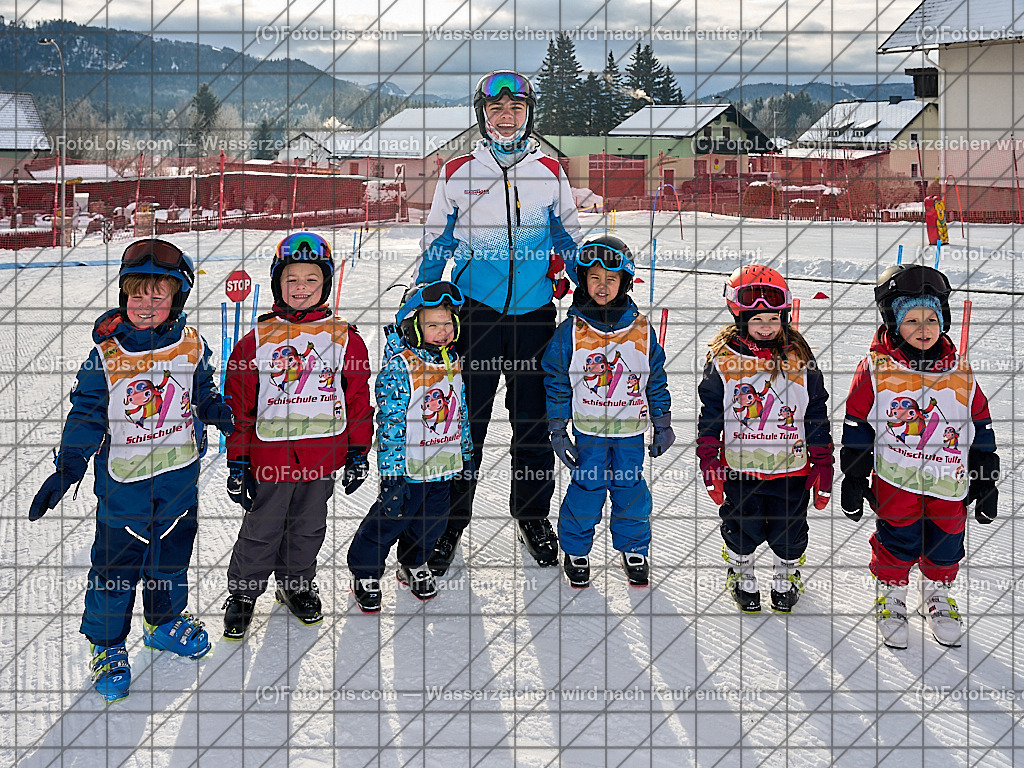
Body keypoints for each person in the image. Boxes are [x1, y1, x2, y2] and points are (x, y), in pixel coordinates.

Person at [28, 238, 235, 703]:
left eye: (158, 295)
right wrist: (68, 466)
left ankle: (163, 622)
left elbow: (202, 389)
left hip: (179, 477)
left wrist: (216, 408)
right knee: (114, 568)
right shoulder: (107, 354)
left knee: (172, 557)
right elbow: (86, 412)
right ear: (125, 297)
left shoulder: (191, 343)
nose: (146, 304)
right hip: (124, 487)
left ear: (176, 299)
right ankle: (106, 645)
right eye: (137, 294)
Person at [414, 70, 582, 575]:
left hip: (534, 317)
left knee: (532, 425)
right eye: (496, 110)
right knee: (466, 423)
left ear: (529, 113)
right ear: (482, 116)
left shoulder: (550, 171)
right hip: (475, 314)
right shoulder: (458, 171)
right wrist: (421, 300)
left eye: (515, 109)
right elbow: (435, 244)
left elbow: (569, 240)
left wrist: (588, 286)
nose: (505, 117)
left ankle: (531, 515)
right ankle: (450, 521)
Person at [221, 232, 372, 639]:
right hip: (270, 458)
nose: (301, 288)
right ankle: (244, 592)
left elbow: (357, 399)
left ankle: (296, 583)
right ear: (277, 284)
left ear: (324, 284)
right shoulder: (255, 342)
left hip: (322, 456)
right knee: (262, 527)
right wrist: (237, 461)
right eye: (292, 279)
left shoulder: (345, 338)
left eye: (311, 279)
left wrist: (358, 451)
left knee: (308, 526)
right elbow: (240, 407)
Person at [841, 264, 999, 649]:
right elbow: (857, 423)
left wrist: (986, 472)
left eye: (932, 317)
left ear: (943, 320)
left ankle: (937, 594)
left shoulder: (961, 371)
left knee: (947, 539)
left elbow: (979, 422)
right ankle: (891, 594)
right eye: (911, 319)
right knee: (899, 538)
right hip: (897, 480)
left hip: (949, 482)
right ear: (894, 323)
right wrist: (855, 474)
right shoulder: (876, 369)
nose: (924, 327)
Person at [696, 265, 833, 614]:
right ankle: (741, 571)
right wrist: (709, 459)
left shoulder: (799, 358)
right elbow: (710, 414)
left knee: (790, 531)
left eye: (773, 319)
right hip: (742, 469)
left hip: (792, 470)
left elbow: (815, 409)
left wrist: (823, 461)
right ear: (739, 318)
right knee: (742, 526)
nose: (766, 327)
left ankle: (787, 574)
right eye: (757, 320)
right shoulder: (724, 360)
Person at [541, 235, 674, 588]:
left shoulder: (641, 329)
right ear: (583, 282)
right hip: (589, 430)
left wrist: (662, 421)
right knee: (587, 488)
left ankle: (634, 547)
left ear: (624, 282)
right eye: (594, 278)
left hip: (631, 429)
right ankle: (576, 548)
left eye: (610, 279)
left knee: (630, 489)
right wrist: (557, 427)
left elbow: (654, 376)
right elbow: (555, 378)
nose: (602, 286)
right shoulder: (572, 331)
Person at [347, 281, 473, 611]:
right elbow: (390, 426)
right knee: (388, 521)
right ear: (413, 326)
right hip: (407, 470)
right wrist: (390, 478)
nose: (442, 331)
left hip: (443, 466)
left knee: (433, 522)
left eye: (447, 323)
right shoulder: (400, 368)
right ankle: (365, 571)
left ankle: (414, 561)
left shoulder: (453, 362)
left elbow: (461, 412)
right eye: (432, 324)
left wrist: (467, 455)